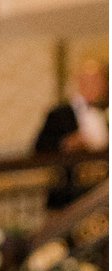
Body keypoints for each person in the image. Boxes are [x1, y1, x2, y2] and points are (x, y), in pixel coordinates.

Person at [34, 56, 109, 209]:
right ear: (79, 83)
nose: (95, 86)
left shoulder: (107, 111)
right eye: (90, 82)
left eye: (99, 82)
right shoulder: (60, 114)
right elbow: (39, 148)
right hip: (71, 194)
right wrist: (66, 143)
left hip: (104, 191)